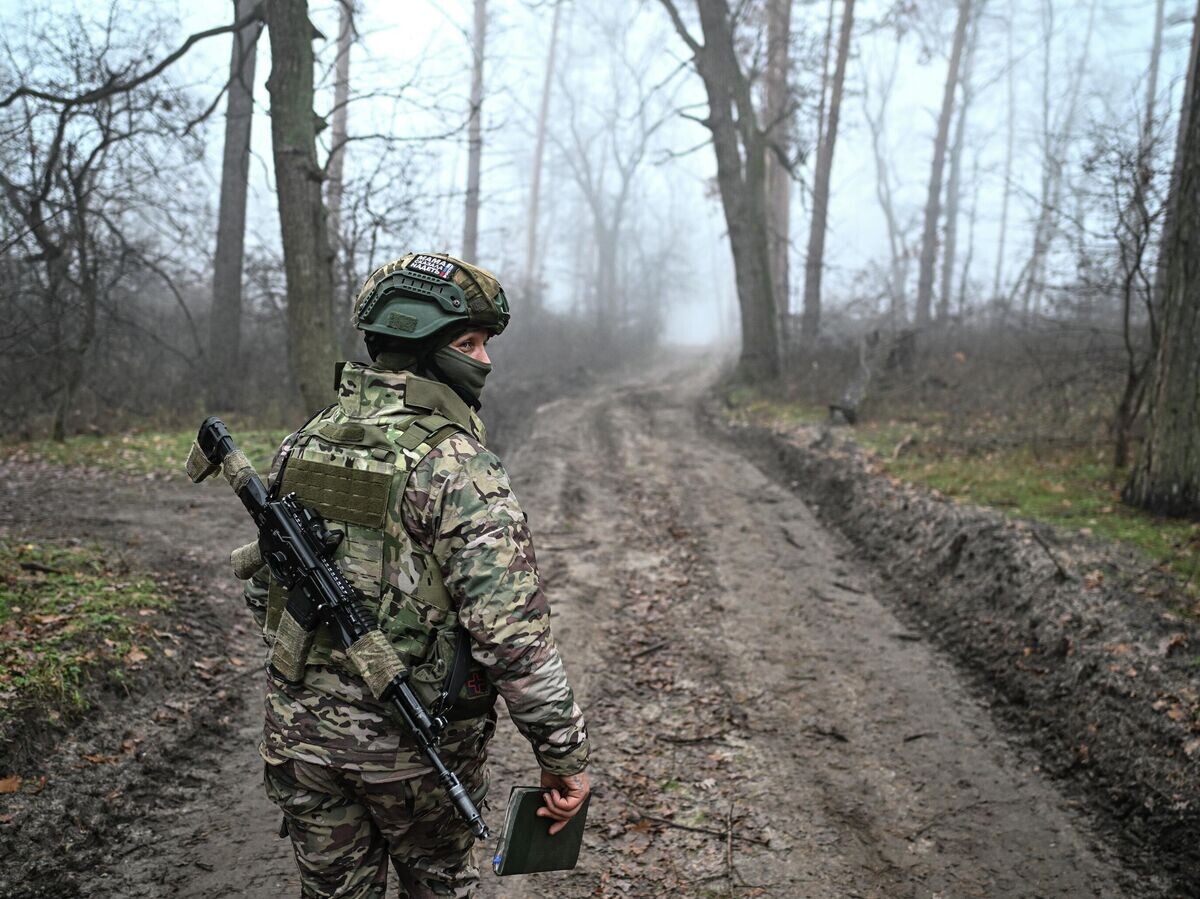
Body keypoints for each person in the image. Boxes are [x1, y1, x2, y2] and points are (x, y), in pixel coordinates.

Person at [243, 252, 591, 898]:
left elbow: (263, 592)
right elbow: (514, 638)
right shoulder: (459, 467)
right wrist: (562, 754)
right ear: (418, 344)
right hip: (416, 760)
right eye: (468, 342)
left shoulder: (306, 440)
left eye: (484, 342)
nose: (484, 359)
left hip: (304, 745)